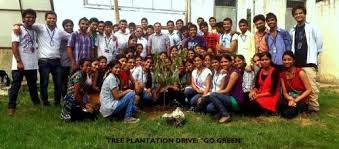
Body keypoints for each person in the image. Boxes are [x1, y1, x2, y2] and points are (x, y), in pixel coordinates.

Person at [290, 5, 323, 113]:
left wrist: (314, 58)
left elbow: (319, 45)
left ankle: (314, 109)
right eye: (296, 14)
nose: (298, 15)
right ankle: (304, 106)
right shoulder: (292, 30)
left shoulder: (312, 27)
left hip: (308, 63)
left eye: (300, 13)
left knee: (312, 87)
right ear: (293, 16)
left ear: (304, 14)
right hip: (297, 64)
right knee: (301, 87)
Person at [8, 9, 40, 115]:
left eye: (32, 17)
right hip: (19, 64)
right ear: (23, 19)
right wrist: (18, 61)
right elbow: (14, 46)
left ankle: (36, 104)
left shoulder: (35, 31)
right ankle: (11, 107)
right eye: (27, 17)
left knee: (33, 86)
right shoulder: (18, 29)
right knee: (16, 85)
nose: (30, 19)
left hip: (32, 64)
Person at [199, 54, 244, 123]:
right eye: (222, 62)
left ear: (231, 62)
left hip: (235, 100)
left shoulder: (234, 73)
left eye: (226, 61)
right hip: (228, 97)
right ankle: (228, 112)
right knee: (210, 108)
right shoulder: (228, 71)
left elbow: (227, 90)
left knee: (212, 95)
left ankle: (225, 115)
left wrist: (211, 93)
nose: (223, 64)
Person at [279, 51, 312, 119]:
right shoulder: (282, 75)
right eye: (284, 60)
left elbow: (309, 90)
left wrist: (295, 100)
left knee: (287, 114)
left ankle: (301, 110)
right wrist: (290, 99)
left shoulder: (300, 72)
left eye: (289, 59)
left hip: (301, 100)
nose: (287, 62)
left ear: (293, 60)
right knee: (277, 107)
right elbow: (285, 92)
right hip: (289, 99)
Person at [60, 19, 74, 98]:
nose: (69, 27)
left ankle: (72, 96)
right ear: (63, 27)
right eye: (67, 26)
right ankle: (64, 97)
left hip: (73, 62)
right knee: (64, 81)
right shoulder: (62, 34)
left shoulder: (74, 34)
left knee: (73, 81)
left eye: (70, 26)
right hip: (64, 62)